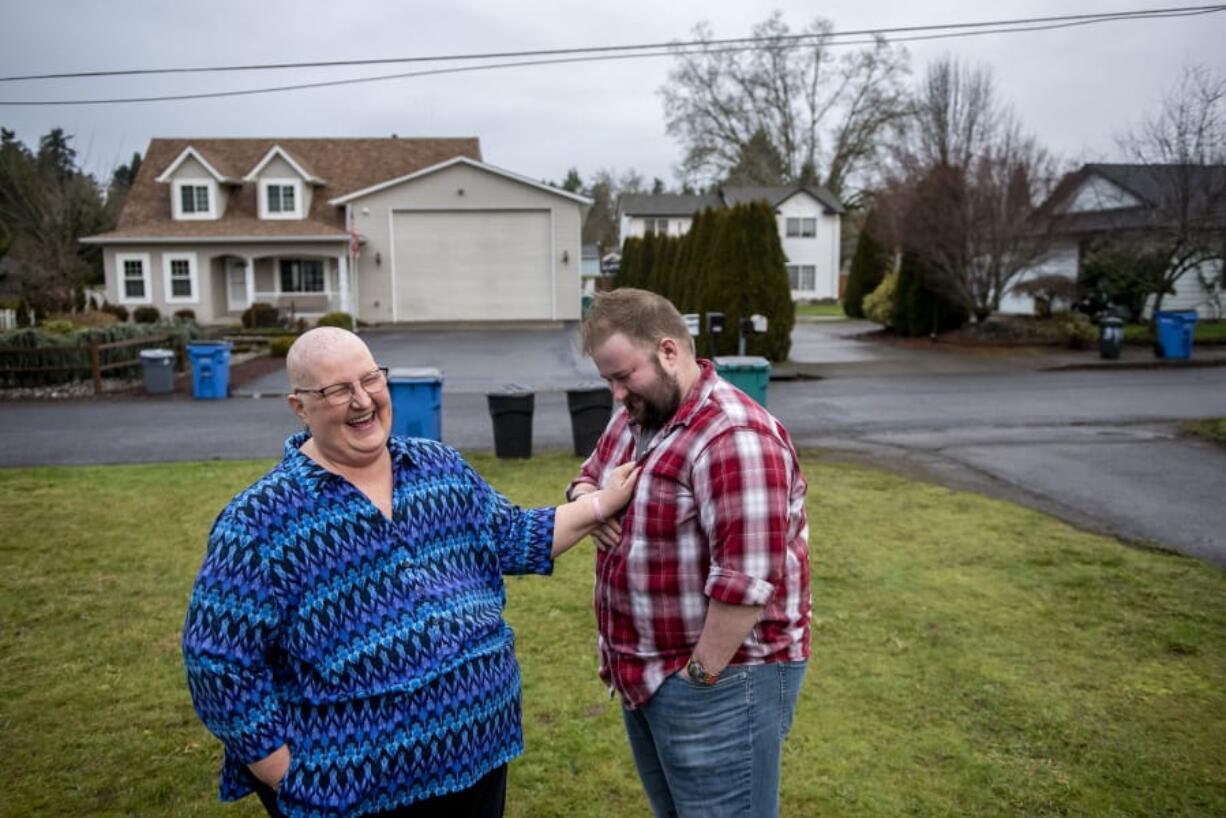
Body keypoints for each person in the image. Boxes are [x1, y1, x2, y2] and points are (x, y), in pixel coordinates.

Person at [182, 327, 638, 818]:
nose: (362, 401)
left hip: (480, 761)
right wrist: (283, 772)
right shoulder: (260, 521)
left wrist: (598, 505)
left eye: (370, 380)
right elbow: (217, 663)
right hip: (353, 795)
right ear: (299, 406)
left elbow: (513, 535)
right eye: (337, 390)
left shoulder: (438, 467)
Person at [566, 288, 810, 818]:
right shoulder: (641, 414)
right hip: (648, 676)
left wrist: (698, 679)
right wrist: (591, 502)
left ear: (669, 351)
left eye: (623, 376)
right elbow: (588, 475)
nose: (615, 393)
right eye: (606, 379)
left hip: (722, 679)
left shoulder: (734, 437)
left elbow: (745, 585)